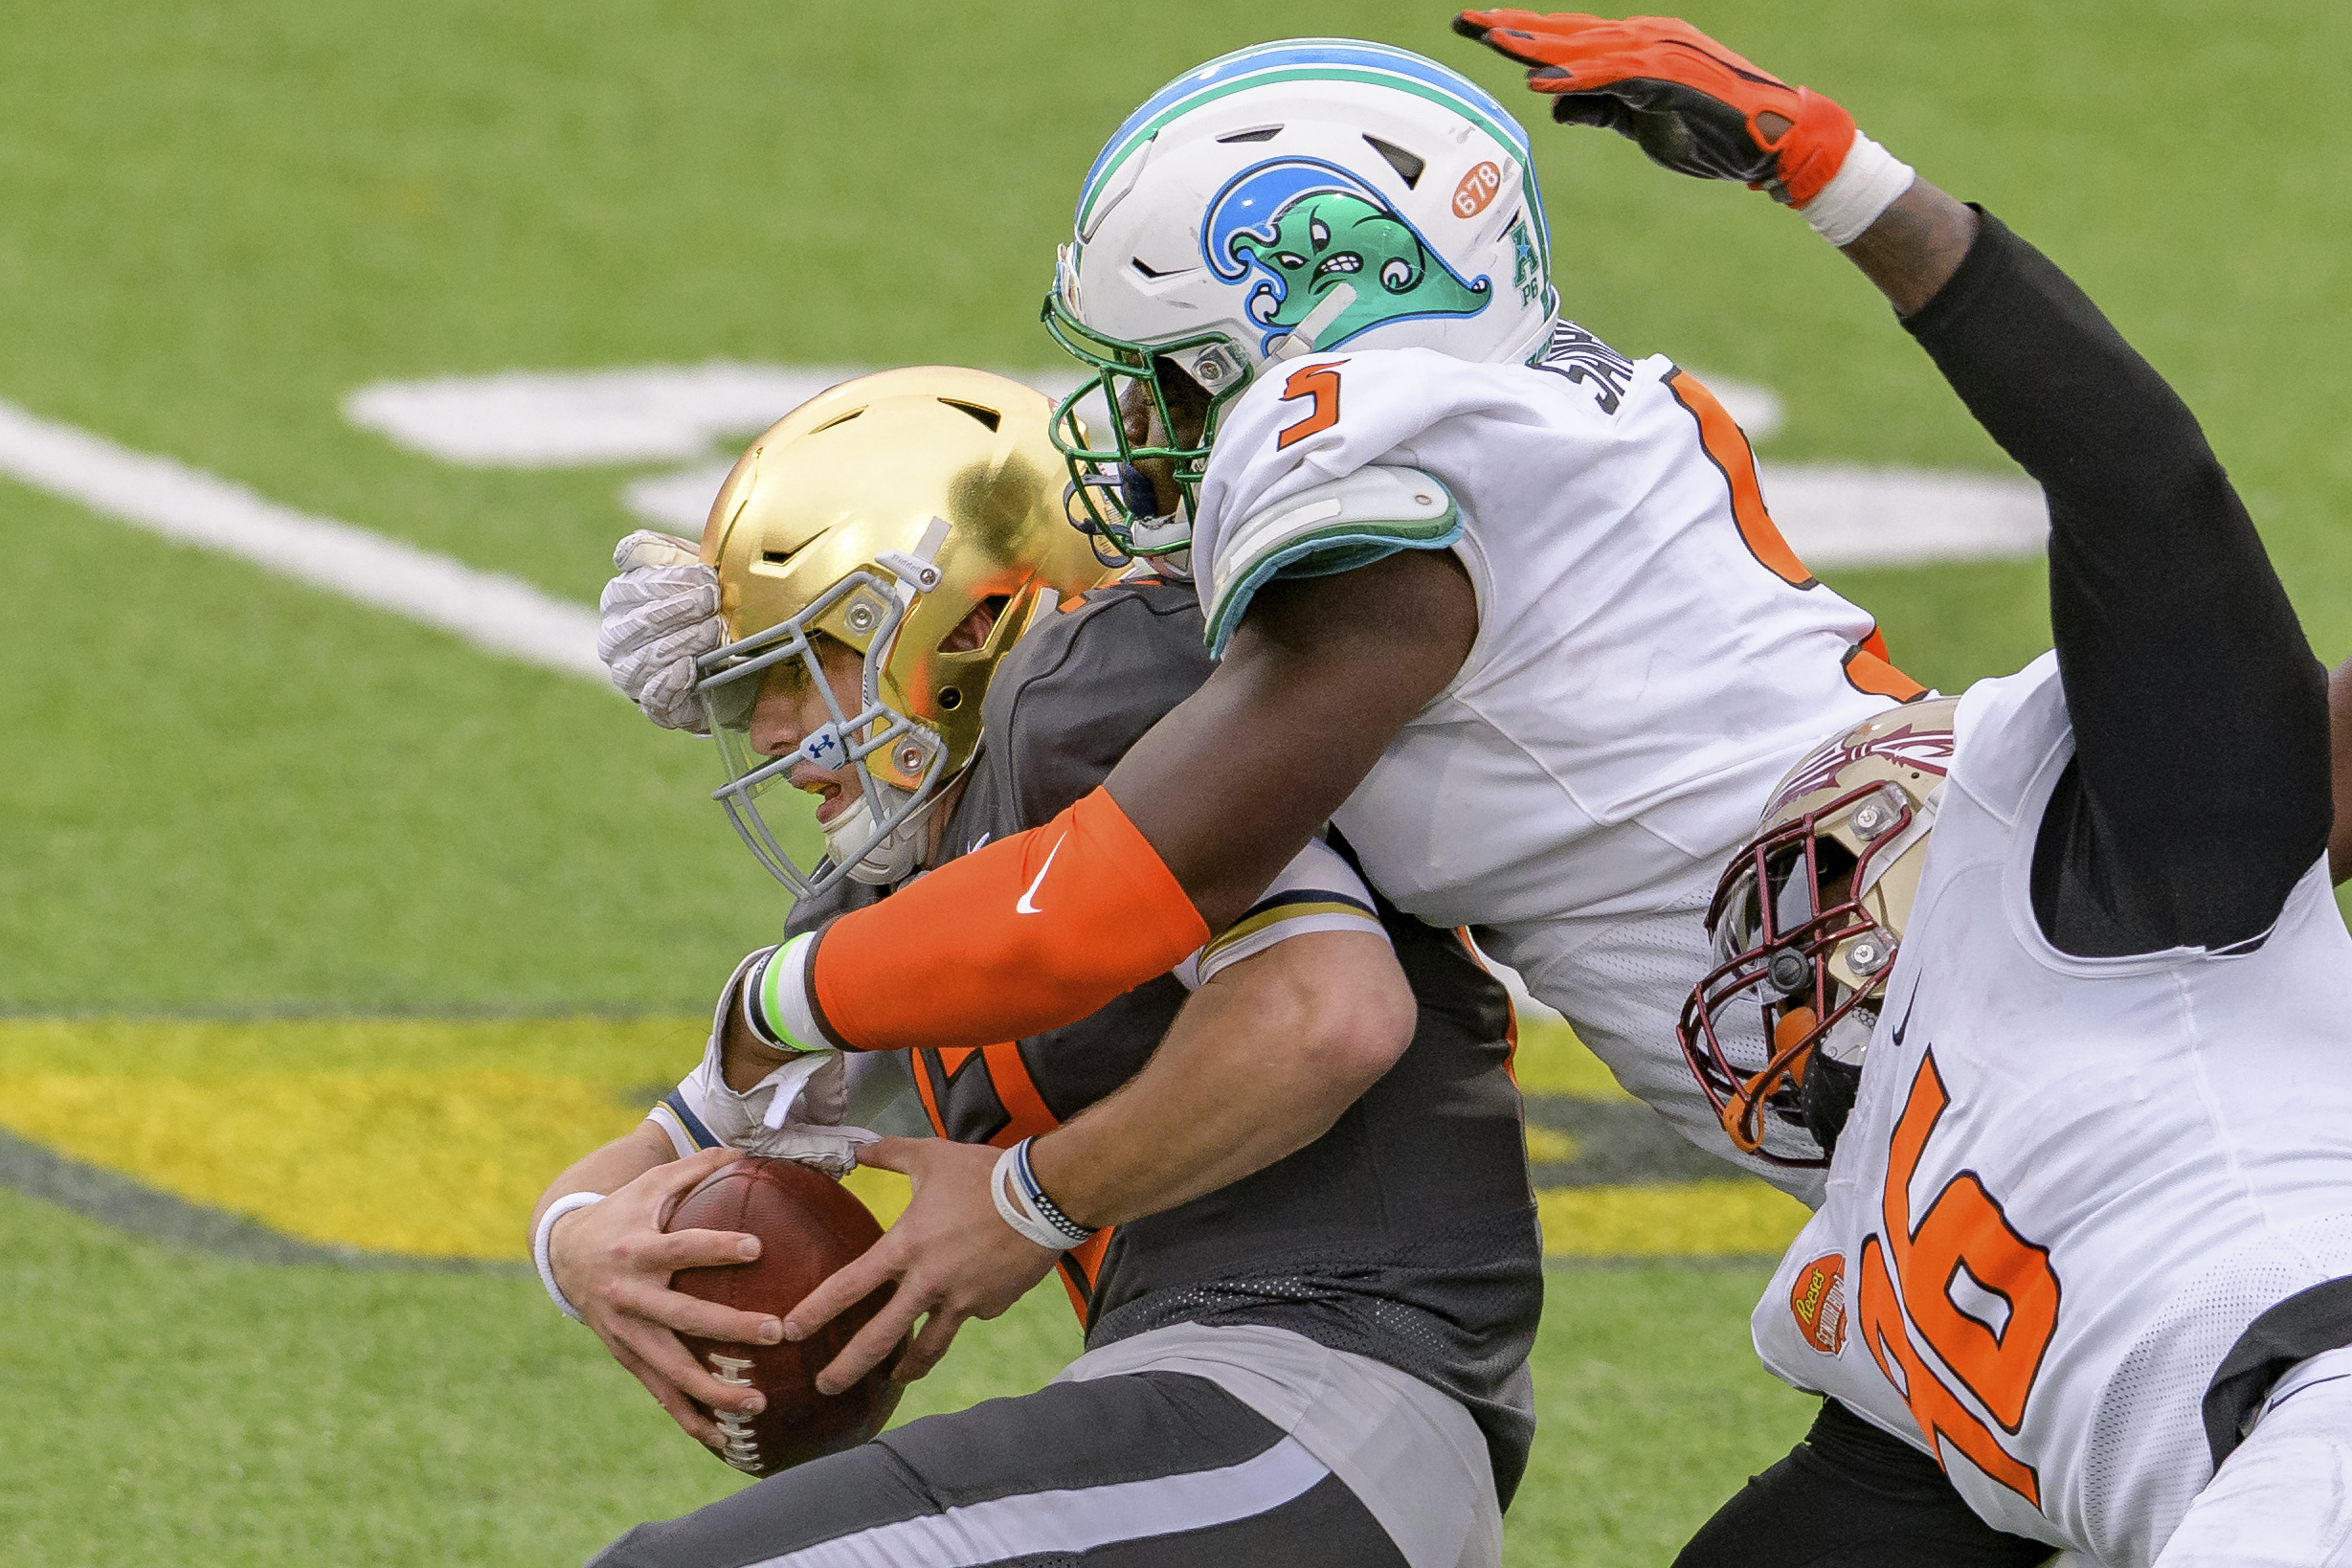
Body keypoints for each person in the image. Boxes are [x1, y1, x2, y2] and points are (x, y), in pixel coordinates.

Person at [1426, 13, 2352, 1567]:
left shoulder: (2164, 887)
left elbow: (2136, 470)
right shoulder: (1903, 1232)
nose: (1822, 932)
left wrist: (1841, 178)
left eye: (1859, 864)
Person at [539, 367, 1544, 1568]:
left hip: (1324, 1389)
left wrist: (1030, 1198)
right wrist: (582, 1245)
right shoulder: (906, 874)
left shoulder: (1096, 704)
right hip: (1263, 1424)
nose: (770, 732)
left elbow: (1328, 1015)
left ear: (968, 624)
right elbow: (662, 1146)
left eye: (804, 662)